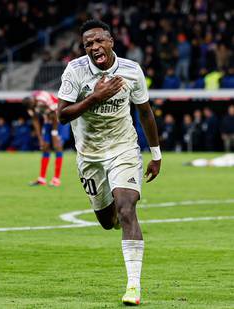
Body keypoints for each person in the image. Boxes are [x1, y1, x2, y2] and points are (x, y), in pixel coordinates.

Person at [57, 20, 161, 306]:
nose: (94, 47)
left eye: (99, 41)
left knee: (127, 208)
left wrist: (156, 154)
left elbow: (145, 113)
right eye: (88, 44)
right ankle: (114, 216)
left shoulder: (131, 70)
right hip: (89, 156)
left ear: (111, 41)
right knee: (108, 221)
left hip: (124, 149)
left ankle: (133, 286)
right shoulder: (75, 71)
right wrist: (95, 97)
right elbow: (62, 116)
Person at [25, 90, 65, 187]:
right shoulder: (29, 105)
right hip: (48, 121)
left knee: (57, 146)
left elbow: (55, 114)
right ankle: (42, 179)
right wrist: (40, 139)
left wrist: (54, 134)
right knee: (45, 147)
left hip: (60, 119)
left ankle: (56, 179)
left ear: (35, 101)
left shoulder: (43, 99)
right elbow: (35, 120)